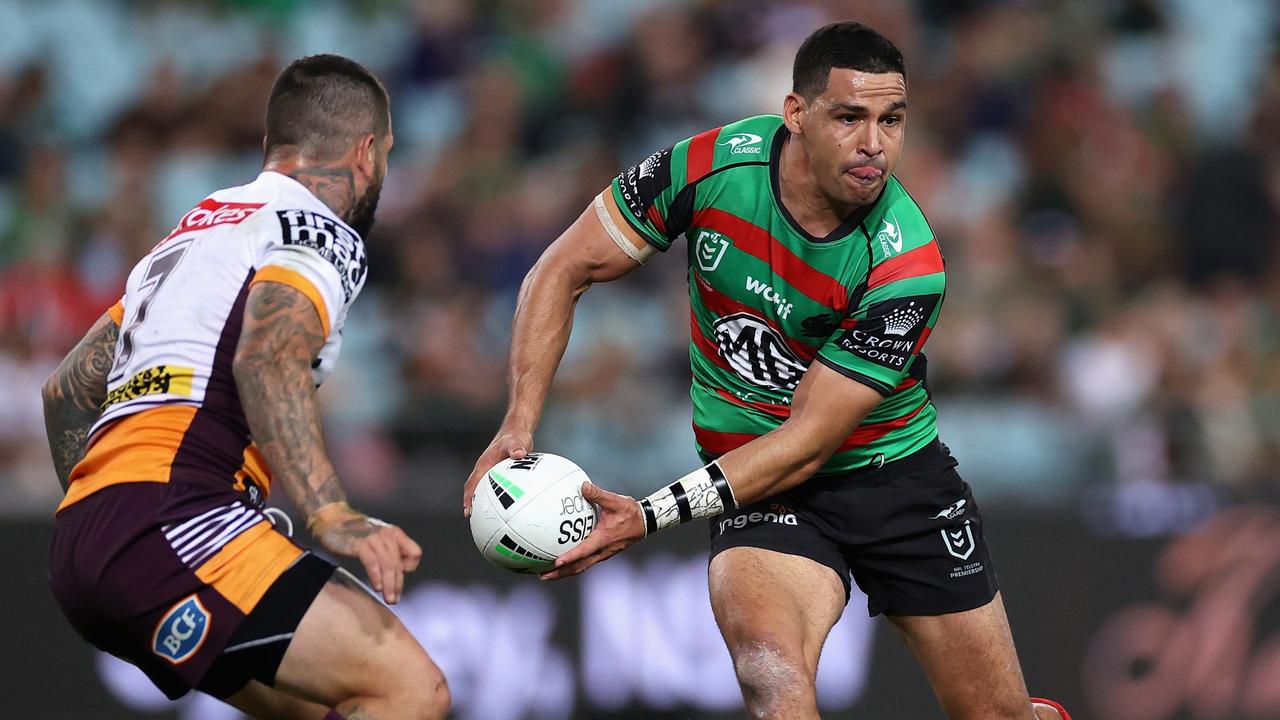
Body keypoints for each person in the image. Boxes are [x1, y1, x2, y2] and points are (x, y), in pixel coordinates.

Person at [464, 22, 1071, 720]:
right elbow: (562, 267)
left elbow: (810, 439)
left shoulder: (907, 266)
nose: (875, 143)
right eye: (850, 117)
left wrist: (647, 515)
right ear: (797, 114)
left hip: (893, 481)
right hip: (759, 485)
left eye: (892, 119)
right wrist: (519, 421)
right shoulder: (711, 168)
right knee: (768, 670)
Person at [43, 55, 449, 720]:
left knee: (323, 710)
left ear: (270, 148)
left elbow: (65, 391)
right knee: (410, 689)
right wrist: (331, 513)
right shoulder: (317, 227)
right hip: (179, 514)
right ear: (368, 153)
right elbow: (266, 360)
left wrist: (111, 519)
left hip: (85, 537)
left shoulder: (194, 230)